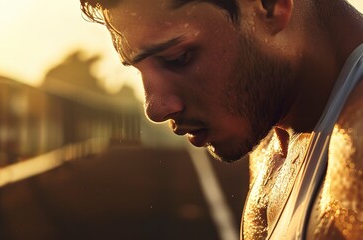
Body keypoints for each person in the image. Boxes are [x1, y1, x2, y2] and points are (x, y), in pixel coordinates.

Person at [79, 0, 363, 239]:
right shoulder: (274, 139)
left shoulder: (357, 144)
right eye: (139, 69)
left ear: (269, 6)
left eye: (178, 58)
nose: (155, 108)